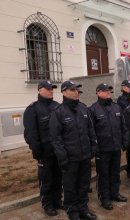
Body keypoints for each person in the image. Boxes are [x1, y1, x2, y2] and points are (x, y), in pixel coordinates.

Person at [50, 80, 97, 220]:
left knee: (84, 185)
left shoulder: (84, 109)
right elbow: (56, 138)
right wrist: (62, 158)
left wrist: (93, 147)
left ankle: (83, 209)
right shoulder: (58, 112)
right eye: (72, 90)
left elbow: (91, 130)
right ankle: (73, 212)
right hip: (70, 158)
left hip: (84, 156)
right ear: (64, 92)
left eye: (77, 89)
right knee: (70, 187)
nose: (76, 92)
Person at [23, 81, 62, 216]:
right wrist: (37, 151)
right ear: (40, 90)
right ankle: (47, 204)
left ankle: (57, 200)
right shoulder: (32, 109)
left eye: (52, 88)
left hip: (58, 151)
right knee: (46, 179)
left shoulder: (57, 106)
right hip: (44, 153)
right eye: (48, 88)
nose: (51, 90)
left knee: (58, 177)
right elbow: (30, 134)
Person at [89, 83, 128, 210]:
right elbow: (91, 131)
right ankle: (104, 198)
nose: (108, 93)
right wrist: (95, 147)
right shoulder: (93, 109)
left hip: (116, 147)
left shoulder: (116, 107)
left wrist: (124, 141)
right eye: (105, 91)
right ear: (98, 93)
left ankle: (115, 193)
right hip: (103, 149)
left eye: (109, 90)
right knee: (103, 174)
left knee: (115, 172)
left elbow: (123, 126)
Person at [117, 80, 130, 179]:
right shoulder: (121, 99)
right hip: (127, 126)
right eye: (128, 87)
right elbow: (127, 110)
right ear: (123, 87)